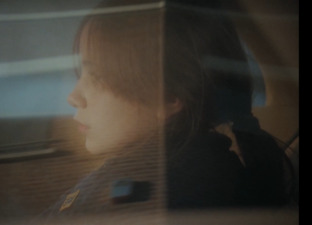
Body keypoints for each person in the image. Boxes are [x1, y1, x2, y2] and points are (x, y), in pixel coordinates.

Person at [40, 0, 290, 222]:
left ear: (169, 96)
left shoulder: (167, 195)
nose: (73, 97)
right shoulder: (159, 171)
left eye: (97, 77)